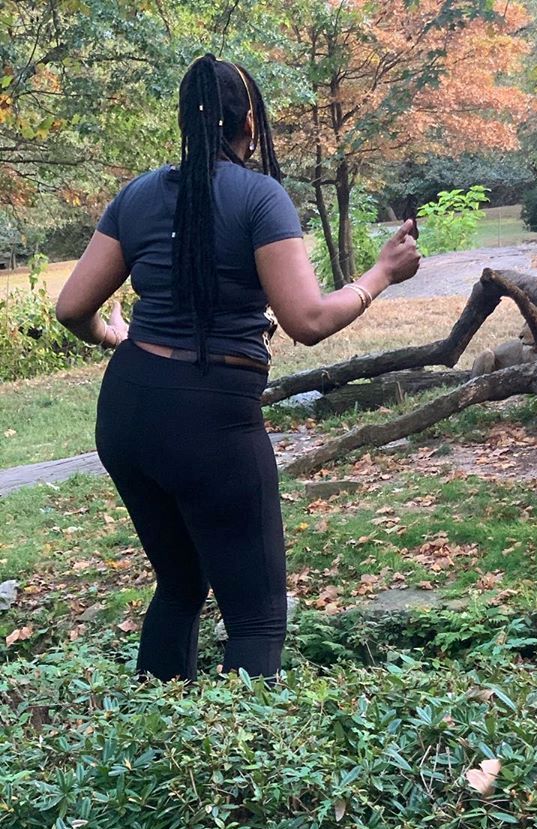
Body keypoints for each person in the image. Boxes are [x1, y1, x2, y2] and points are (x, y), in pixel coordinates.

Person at [55, 54, 420, 682]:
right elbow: (306, 320)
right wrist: (380, 274)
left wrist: (114, 334)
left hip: (128, 413)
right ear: (248, 120)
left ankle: (157, 750)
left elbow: (70, 308)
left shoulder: (136, 196)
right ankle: (243, 767)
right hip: (211, 422)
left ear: (183, 122)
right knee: (255, 617)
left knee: (179, 585)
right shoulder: (259, 197)